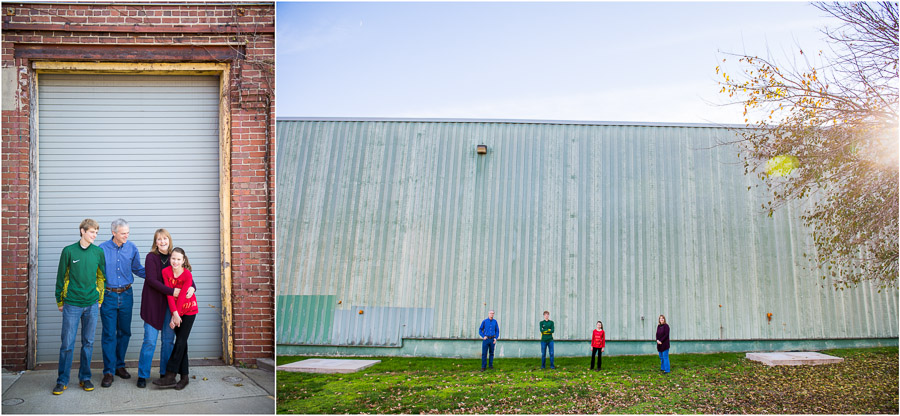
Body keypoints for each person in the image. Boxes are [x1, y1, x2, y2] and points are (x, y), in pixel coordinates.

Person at [53, 219, 107, 395]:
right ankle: (62, 380)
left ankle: (85, 377)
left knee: (88, 343)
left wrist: (99, 299)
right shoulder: (68, 251)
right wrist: (60, 301)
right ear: (82, 231)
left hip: (91, 304)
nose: (95, 235)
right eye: (92, 232)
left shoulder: (98, 252)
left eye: (96, 233)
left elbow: (101, 277)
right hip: (72, 304)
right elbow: (61, 277)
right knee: (67, 344)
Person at [137, 229, 194, 388]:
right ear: (156, 242)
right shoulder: (151, 258)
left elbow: (186, 275)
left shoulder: (174, 256)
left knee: (168, 341)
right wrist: (172, 291)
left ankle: (165, 373)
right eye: (159, 239)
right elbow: (151, 280)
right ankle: (143, 374)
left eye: (165, 239)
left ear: (169, 240)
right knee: (149, 341)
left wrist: (192, 288)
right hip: (152, 305)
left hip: (171, 307)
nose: (162, 242)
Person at [98, 218, 146, 388]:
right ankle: (108, 371)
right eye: (123, 233)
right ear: (114, 233)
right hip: (108, 296)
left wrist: (159, 277)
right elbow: (95, 273)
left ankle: (119, 366)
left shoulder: (132, 247)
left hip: (126, 295)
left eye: (128, 233)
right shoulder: (101, 249)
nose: (127, 236)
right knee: (109, 334)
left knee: (124, 332)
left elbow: (138, 269)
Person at [153, 247, 199, 390]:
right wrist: (175, 314)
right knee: (182, 344)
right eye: (173, 258)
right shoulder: (165, 272)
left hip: (189, 310)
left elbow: (182, 297)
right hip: (177, 312)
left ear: (183, 260)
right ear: (170, 259)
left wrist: (175, 316)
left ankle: (170, 375)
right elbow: (170, 295)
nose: (175, 261)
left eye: (179, 259)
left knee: (180, 342)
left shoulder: (187, 275)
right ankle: (184, 378)